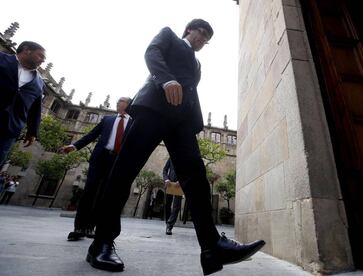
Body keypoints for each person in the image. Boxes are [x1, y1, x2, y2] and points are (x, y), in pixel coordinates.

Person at [86, 19, 265, 275]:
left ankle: (213, 246)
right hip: (152, 109)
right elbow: (152, 53)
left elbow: (191, 90)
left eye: (207, 37)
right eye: (200, 32)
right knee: (123, 173)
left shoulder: (197, 63)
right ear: (188, 30)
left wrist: (195, 120)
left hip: (181, 122)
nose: (202, 39)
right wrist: (166, 80)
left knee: (197, 178)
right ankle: (101, 242)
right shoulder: (169, 35)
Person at [59, 97, 132, 241]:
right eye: (117, 101)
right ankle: (79, 228)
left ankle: (91, 227)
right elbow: (92, 135)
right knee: (89, 191)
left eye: (121, 101)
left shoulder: (134, 123)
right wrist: (74, 146)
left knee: (104, 195)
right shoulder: (108, 120)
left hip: (117, 161)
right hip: (100, 158)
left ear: (128, 105)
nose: (118, 103)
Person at [0, 41, 46, 167]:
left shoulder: (39, 83)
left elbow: (35, 109)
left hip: (9, 130)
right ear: (26, 50)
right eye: (40, 56)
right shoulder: (2, 59)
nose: (43, 61)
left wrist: (32, 131)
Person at [163, 158, 183, 235]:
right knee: (167, 205)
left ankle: (169, 226)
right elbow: (165, 170)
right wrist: (166, 180)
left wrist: (181, 180)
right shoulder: (171, 158)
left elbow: (188, 172)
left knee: (176, 207)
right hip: (169, 184)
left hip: (179, 186)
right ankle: (167, 222)